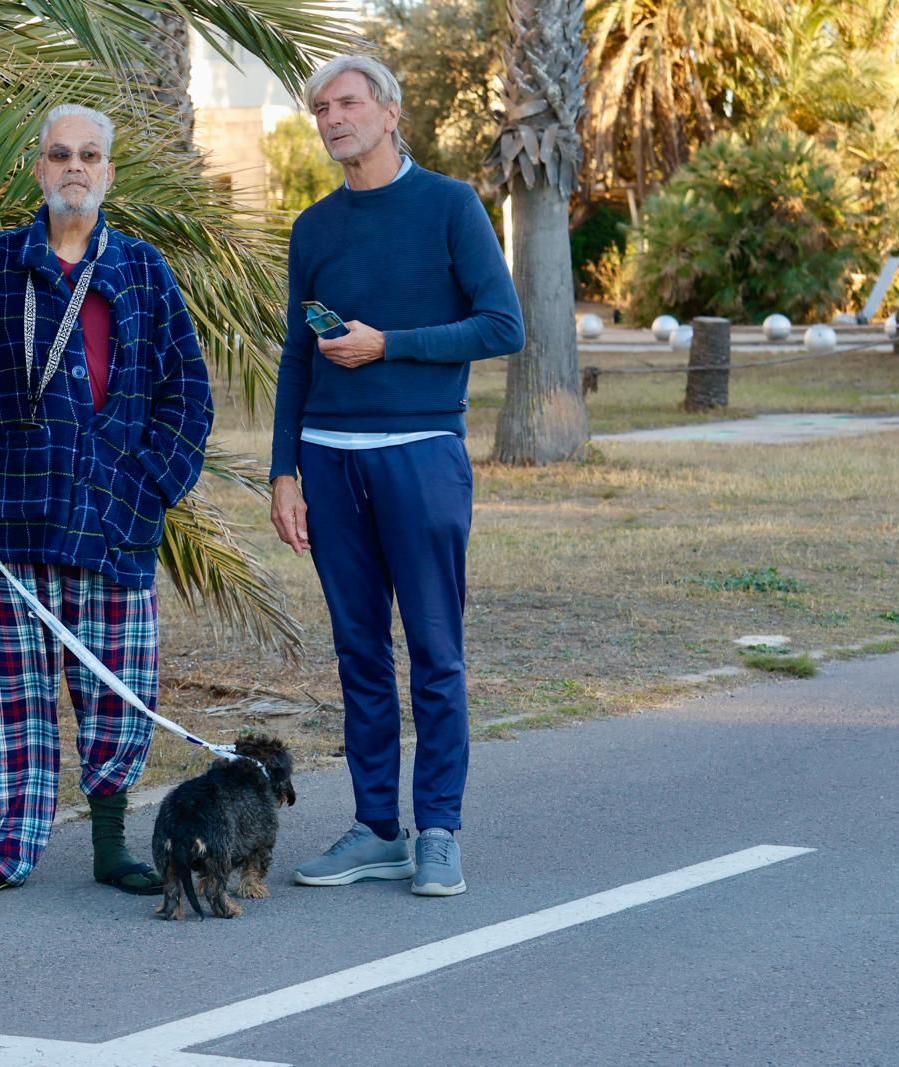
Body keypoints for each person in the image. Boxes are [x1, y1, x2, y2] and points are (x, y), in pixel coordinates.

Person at [0, 104, 213, 901]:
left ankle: (113, 843)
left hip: (114, 516)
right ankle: (6, 849)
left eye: (91, 156)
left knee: (117, 685)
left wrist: (154, 483)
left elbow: (188, 392)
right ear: (38, 169)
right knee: (15, 693)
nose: (75, 168)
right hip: (13, 514)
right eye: (61, 155)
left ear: (110, 173)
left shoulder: (143, 269)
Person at [269, 56, 524, 898]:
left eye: (348, 103)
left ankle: (438, 828)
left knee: (435, 652)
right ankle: (376, 826)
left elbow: (501, 325)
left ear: (389, 110)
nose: (333, 118)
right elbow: (298, 355)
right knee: (358, 652)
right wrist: (284, 470)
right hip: (330, 462)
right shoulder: (314, 226)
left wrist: (392, 343)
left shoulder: (449, 206)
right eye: (321, 108)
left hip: (421, 453)